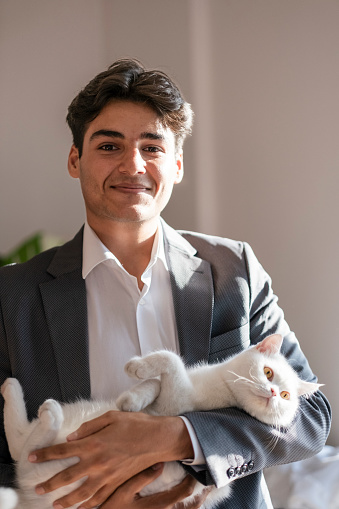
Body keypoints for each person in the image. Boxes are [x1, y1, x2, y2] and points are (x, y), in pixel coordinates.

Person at [0, 59, 331, 509]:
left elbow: (310, 419)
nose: (132, 164)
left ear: (176, 165)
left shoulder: (235, 270)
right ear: (75, 160)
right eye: (109, 146)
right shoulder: (12, 295)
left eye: (151, 147)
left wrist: (175, 436)